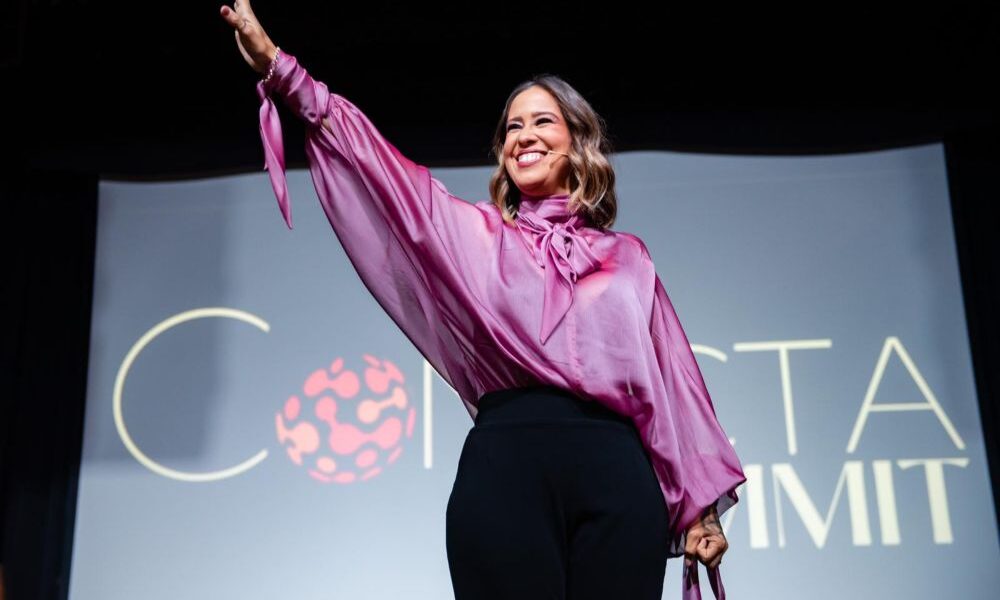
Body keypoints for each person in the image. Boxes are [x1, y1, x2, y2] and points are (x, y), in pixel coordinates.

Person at [220, 3, 746, 599]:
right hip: (507, 468)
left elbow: (674, 383)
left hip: (618, 478)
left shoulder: (627, 257)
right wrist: (283, 71)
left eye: (542, 121)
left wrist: (699, 510)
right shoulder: (476, 235)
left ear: (577, 141)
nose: (524, 136)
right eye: (512, 127)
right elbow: (385, 172)